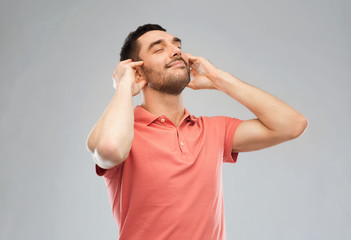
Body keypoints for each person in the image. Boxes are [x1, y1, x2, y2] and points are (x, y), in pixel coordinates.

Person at [86, 24, 307, 240]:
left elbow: (292, 125)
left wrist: (219, 80)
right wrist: (124, 85)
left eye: (177, 45)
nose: (175, 51)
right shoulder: (125, 134)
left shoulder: (213, 130)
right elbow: (110, 150)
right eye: (159, 49)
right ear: (138, 71)